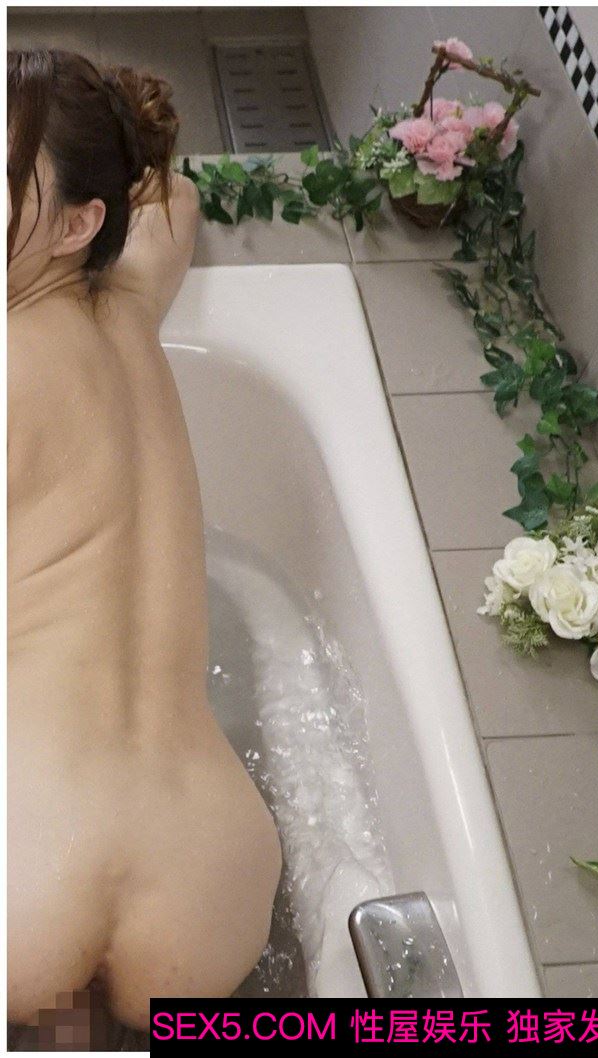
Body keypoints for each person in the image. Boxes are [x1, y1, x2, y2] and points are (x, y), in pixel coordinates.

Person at [7, 48, 282, 1033]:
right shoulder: (133, 297)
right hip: (214, 879)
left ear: (79, 224)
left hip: (27, 856)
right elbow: (176, 193)